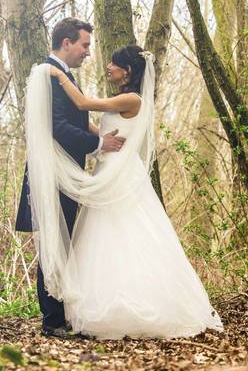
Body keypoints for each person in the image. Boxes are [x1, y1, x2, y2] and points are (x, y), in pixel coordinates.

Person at [25, 43, 223, 339]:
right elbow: (95, 124)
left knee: (127, 233)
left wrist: (58, 75)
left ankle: (135, 305)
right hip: (108, 170)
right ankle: (99, 302)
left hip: (121, 177)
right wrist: (100, 138)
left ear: (127, 71)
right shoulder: (122, 99)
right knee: (102, 237)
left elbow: (82, 105)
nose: (107, 67)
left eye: (114, 64)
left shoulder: (131, 99)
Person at [14, 18, 125, 338]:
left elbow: (76, 119)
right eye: (85, 45)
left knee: (62, 244)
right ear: (66, 43)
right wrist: (99, 144)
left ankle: (61, 316)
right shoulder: (49, 77)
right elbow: (57, 127)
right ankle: (52, 322)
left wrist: (101, 135)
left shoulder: (61, 76)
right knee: (53, 245)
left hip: (64, 173)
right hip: (51, 177)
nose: (88, 52)